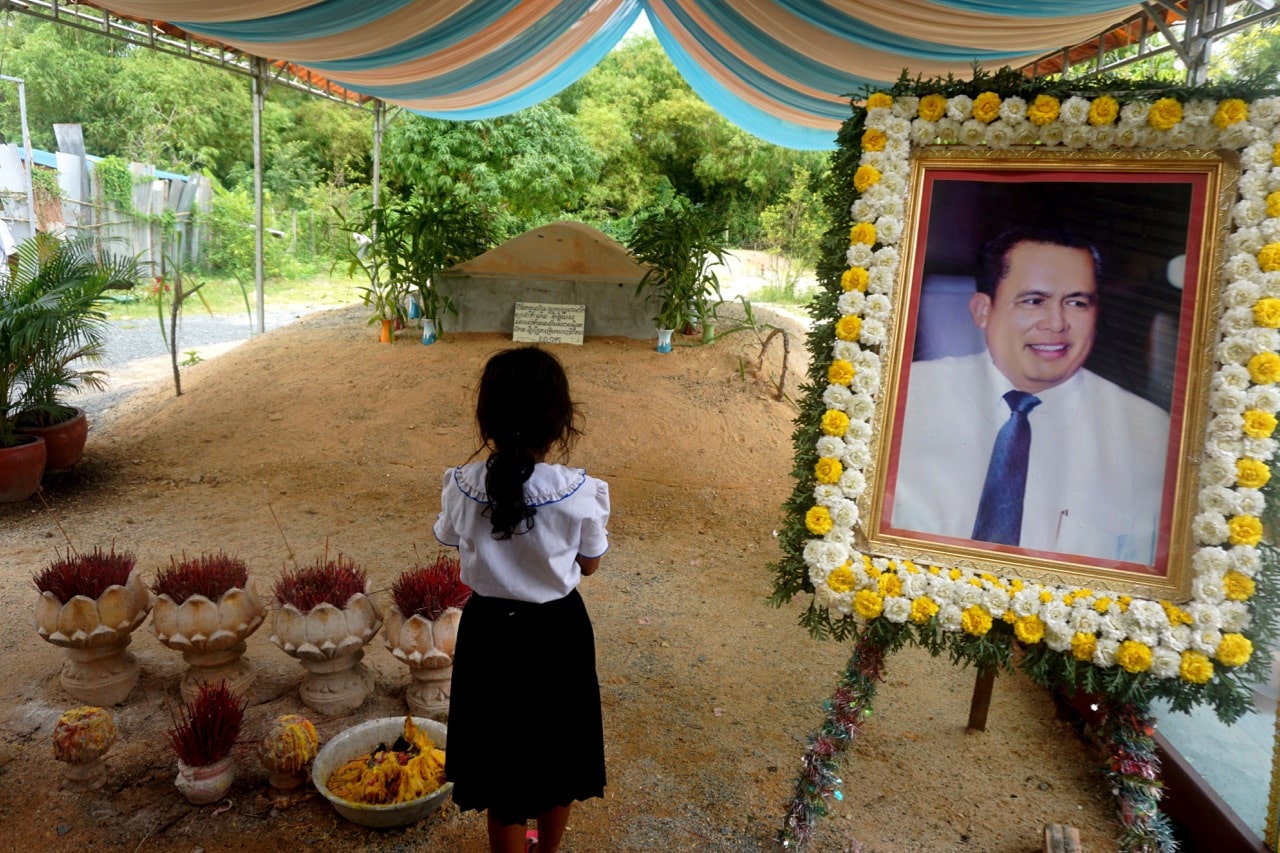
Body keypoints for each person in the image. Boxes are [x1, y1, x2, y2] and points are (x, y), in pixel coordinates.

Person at [891, 225, 1170, 564]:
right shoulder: (905, 397)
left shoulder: (1149, 434)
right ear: (982, 310)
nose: (1056, 323)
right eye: (1034, 300)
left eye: (1077, 302)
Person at [433, 346, 610, 853]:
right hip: (558, 633)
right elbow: (590, 564)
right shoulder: (579, 491)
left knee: (499, 760)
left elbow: (451, 539)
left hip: (490, 633)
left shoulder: (462, 486)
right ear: (560, 421)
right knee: (559, 753)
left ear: (485, 418)